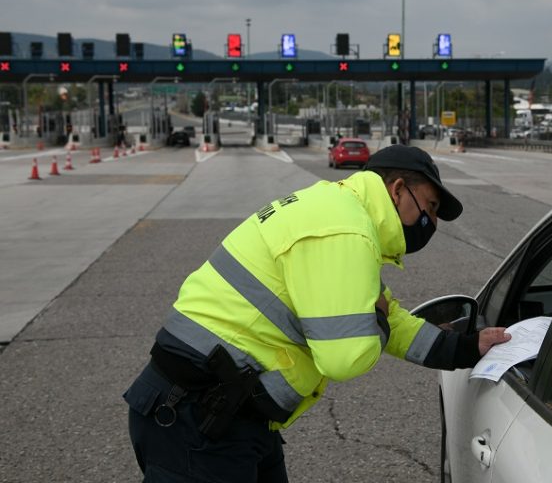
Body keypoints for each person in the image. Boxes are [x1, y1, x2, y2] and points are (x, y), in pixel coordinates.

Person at [123, 144, 511, 482]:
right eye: (429, 206)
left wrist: (462, 347)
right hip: (195, 418)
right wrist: (373, 318)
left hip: (226, 413)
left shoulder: (338, 212)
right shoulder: (346, 230)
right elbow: (346, 356)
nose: (432, 222)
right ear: (397, 190)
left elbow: (387, 317)